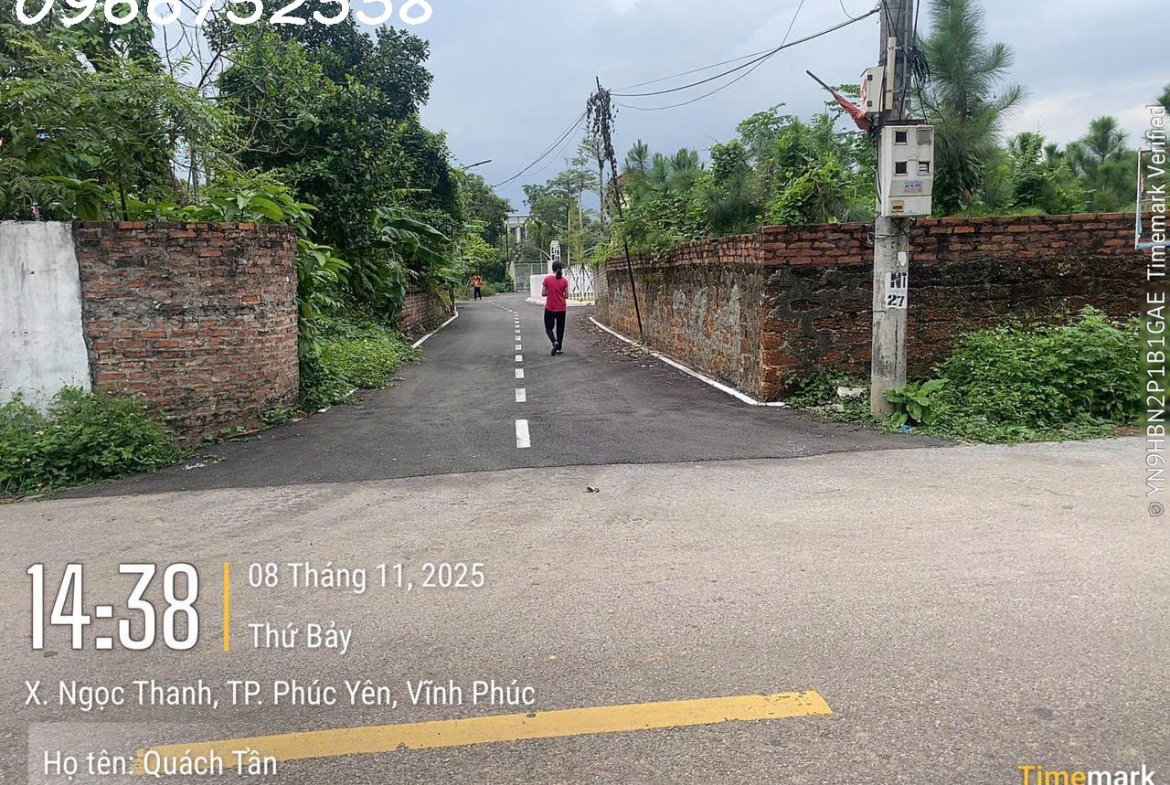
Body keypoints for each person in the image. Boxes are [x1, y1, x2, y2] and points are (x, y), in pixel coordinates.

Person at [542, 262, 570, 356]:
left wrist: (550, 292)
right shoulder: (564, 281)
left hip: (550, 308)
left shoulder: (547, 279)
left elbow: (543, 293)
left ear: (552, 268)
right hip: (561, 308)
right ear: (561, 269)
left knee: (548, 328)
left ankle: (554, 342)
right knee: (560, 329)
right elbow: (566, 295)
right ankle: (559, 349)